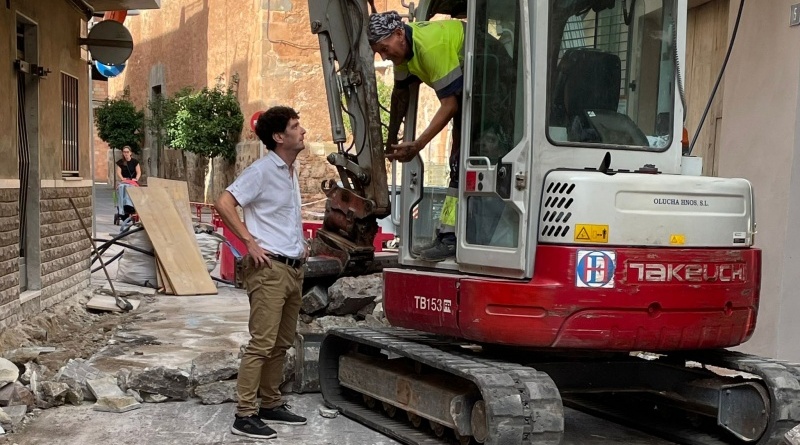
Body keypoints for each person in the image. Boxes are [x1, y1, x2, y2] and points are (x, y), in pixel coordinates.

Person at [214, 106, 309, 440]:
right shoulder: (263, 170)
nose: (303, 131)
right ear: (279, 137)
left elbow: (281, 216)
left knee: (282, 343)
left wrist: (300, 243)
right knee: (261, 344)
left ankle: (270, 403)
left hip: (293, 269)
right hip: (269, 271)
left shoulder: (289, 170)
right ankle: (245, 414)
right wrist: (249, 242)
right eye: (296, 127)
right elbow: (224, 202)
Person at [368, 11, 465, 262]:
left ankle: (453, 238)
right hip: (468, 92)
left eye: (384, 49)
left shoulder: (431, 46)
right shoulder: (405, 50)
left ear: (399, 34)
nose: (385, 57)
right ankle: (451, 235)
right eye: (379, 52)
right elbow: (401, 94)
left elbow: (450, 105)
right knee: (459, 160)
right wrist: (390, 140)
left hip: (495, 78)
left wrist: (418, 145)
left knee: (462, 162)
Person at [115, 146, 141, 219]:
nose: (126, 154)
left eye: (127, 152)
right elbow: (118, 172)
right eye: (124, 152)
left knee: (130, 187)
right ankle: (121, 208)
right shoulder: (121, 162)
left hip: (132, 181)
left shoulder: (135, 162)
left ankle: (129, 205)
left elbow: (138, 172)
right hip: (125, 181)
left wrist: (136, 179)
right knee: (121, 187)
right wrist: (122, 178)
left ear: (130, 153)